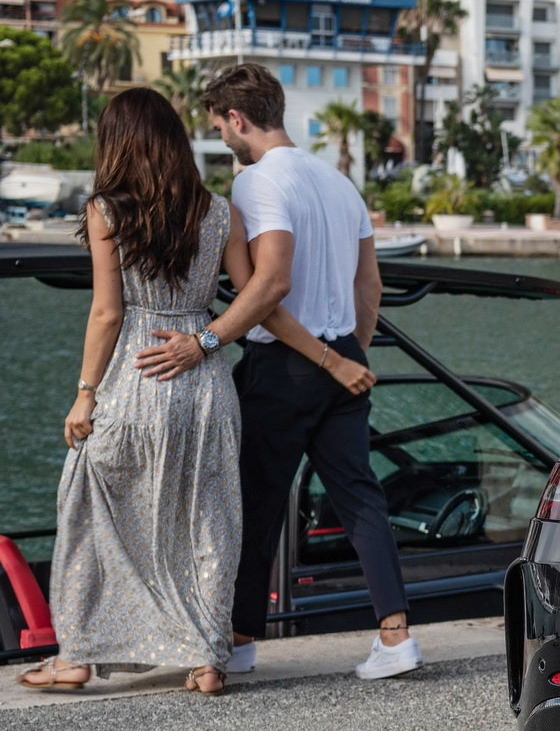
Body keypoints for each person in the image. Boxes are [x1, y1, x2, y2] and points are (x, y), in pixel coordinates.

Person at [18, 89, 334, 695]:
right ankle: (207, 659)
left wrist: (85, 393)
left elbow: (107, 313)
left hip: (137, 375)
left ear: (117, 143)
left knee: (91, 511)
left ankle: (78, 655)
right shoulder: (218, 210)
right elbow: (253, 294)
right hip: (205, 381)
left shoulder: (107, 210)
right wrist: (207, 340)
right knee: (207, 518)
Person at [170, 62, 421, 681]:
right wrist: (348, 355)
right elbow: (371, 282)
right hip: (340, 360)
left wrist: (204, 341)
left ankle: (239, 639)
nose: (221, 139)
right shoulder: (339, 182)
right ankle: (395, 638)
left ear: (237, 119)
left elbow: (270, 286)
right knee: (360, 494)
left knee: (252, 503)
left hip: (286, 367)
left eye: (219, 126)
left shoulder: (257, 184)